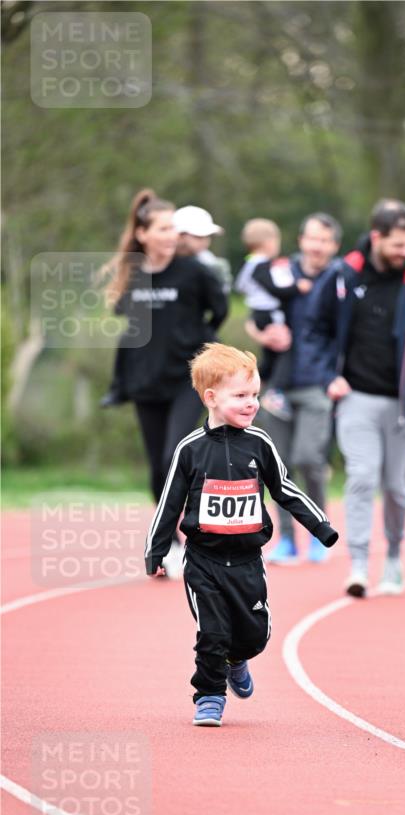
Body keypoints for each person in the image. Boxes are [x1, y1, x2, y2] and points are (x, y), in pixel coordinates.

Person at [144, 343, 338, 726]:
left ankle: (238, 659)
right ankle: (209, 696)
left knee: (254, 635)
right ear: (211, 398)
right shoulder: (190, 450)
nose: (251, 403)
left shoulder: (260, 443)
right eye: (240, 396)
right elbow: (169, 503)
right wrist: (156, 551)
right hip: (203, 560)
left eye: (254, 395)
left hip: (248, 561)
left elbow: (284, 489)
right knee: (212, 632)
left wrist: (320, 526)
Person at [305, 199, 405, 598]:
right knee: (361, 477)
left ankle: (393, 558)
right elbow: (312, 330)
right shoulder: (342, 275)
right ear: (377, 237)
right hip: (356, 397)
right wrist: (327, 376)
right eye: (398, 245)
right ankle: (357, 565)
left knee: (396, 488)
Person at [101, 189, 228, 577]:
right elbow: (124, 315)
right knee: (157, 467)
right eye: (163, 228)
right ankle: (170, 541)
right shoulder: (132, 273)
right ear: (143, 234)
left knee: (175, 453)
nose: (172, 235)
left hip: (186, 380)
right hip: (145, 381)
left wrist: (198, 341)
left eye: (174, 228)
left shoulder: (194, 271)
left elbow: (219, 308)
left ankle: (195, 531)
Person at [245, 212, 342, 565]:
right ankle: (286, 540)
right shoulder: (281, 271)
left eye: (324, 240)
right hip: (276, 384)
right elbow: (254, 313)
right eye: (312, 238)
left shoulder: (341, 279)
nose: (317, 246)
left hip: (318, 383)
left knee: (308, 459)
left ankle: (318, 532)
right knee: (278, 466)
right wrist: (262, 334)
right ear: (301, 240)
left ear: (334, 246)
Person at [235, 218, 313, 395]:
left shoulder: (249, 262)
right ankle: (275, 391)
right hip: (270, 314)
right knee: (285, 348)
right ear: (269, 242)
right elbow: (275, 290)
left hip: (258, 313)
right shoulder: (261, 264)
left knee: (269, 354)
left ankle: (257, 386)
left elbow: (240, 286)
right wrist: (298, 288)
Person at [173, 204, 233, 295]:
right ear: (179, 235)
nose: (205, 241)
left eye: (208, 236)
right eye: (198, 236)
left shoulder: (208, 260)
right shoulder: (163, 259)